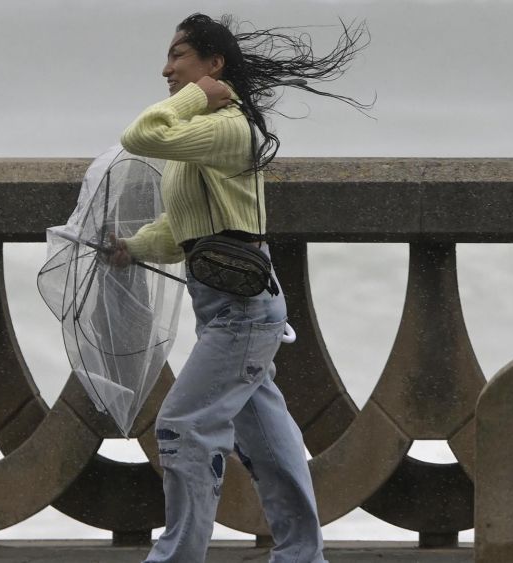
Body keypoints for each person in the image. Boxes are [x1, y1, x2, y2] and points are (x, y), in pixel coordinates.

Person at [109, 13, 370, 563]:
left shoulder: (227, 128)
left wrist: (198, 95)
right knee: (270, 443)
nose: (166, 70)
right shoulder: (203, 140)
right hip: (230, 308)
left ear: (214, 63)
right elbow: (184, 229)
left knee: (183, 426)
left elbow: (141, 135)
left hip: (242, 311)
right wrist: (132, 247)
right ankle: (302, 556)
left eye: (178, 56)